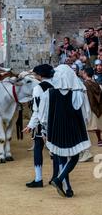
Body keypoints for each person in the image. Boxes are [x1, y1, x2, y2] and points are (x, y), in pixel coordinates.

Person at [39, 65, 91, 198]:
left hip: (56, 130)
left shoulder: (49, 93)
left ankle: (67, 188)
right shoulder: (77, 93)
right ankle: (59, 180)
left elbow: (44, 116)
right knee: (74, 157)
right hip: (73, 129)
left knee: (62, 158)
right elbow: (86, 113)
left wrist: (45, 131)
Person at [23, 64, 55, 188]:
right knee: (55, 152)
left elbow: (37, 110)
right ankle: (56, 177)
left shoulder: (38, 88)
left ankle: (38, 178)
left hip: (42, 123)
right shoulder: (57, 85)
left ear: (40, 76)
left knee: (38, 148)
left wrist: (31, 125)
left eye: (36, 74)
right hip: (55, 122)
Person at [80, 67, 102, 149]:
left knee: (91, 125)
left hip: (89, 106)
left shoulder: (85, 84)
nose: (82, 74)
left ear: (85, 74)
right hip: (98, 106)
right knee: (98, 125)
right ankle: (99, 140)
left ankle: (87, 143)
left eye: (83, 73)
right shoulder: (96, 83)